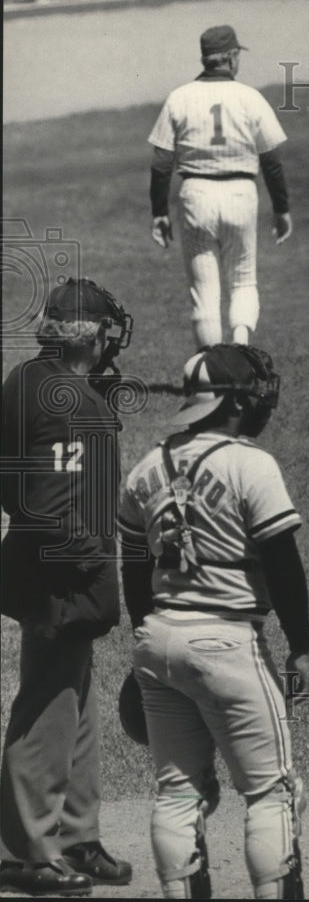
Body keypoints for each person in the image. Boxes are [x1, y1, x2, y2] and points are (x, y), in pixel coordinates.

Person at [118, 343, 309, 899]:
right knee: (272, 792)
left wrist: (144, 643)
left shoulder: (146, 466)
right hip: (227, 644)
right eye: (254, 392)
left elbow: (135, 572)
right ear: (231, 402)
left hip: (159, 643)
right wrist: (300, 646)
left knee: (176, 793)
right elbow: (284, 565)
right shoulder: (251, 464)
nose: (262, 400)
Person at [0, 278, 134, 897]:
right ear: (94, 335)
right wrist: (86, 569)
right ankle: (27, 851)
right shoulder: (81, 406)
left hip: (34, 560)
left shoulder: (23, 380)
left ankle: (77, 835)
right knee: (48, 706)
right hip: (65, 571)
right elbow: (67, 498)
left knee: (74, 700)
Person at [148, 24, 293, 349]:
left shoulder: (179, 98)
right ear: (229, 57)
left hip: (195, 195)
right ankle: (240, 355)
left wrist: (159, 212)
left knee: (205, 294)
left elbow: (160, 164)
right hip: (241, 194)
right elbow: (272, 161)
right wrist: (281, 208)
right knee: (243, 280)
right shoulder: (250, 98)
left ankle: (209, 381)